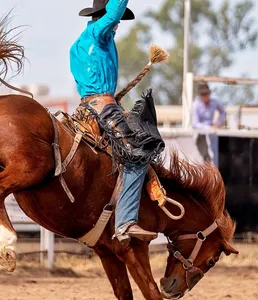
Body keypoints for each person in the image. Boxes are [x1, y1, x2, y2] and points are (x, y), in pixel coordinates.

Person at [70, 0, 162, 244]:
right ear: (103, 16)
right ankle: (125, 221)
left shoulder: (81, 43)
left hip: (89, 105)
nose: (118, 25)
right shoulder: (98, 33)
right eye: (116, 21)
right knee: (138, 153)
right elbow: (114, 12)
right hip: (103, 107)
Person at [192, 82, 227, 166]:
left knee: (215, 154)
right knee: (204, 156)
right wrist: (208, 127)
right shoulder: (196, 104)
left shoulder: (215, 101)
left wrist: (217, 123)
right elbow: (195, 123)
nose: (205, 96)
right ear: (200, 95)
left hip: (212, 131)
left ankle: (215, 172)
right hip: (200, 133)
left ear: (209, 93)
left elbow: (223, 112)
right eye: (203, 94)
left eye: (206, 93)